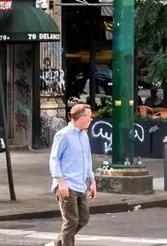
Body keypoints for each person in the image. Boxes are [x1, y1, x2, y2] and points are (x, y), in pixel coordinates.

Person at [49, 103, 97, 246]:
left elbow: (87, 158)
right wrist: (60, 182)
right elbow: (54, 159)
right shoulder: (63, 135)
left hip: (80, 183)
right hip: (67, 184)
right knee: (71, 221)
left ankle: (58, 242)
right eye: (89, 116)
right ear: (81, 117)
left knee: (83, 218)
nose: (91, 119)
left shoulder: (84, 135)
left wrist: (92, 180)